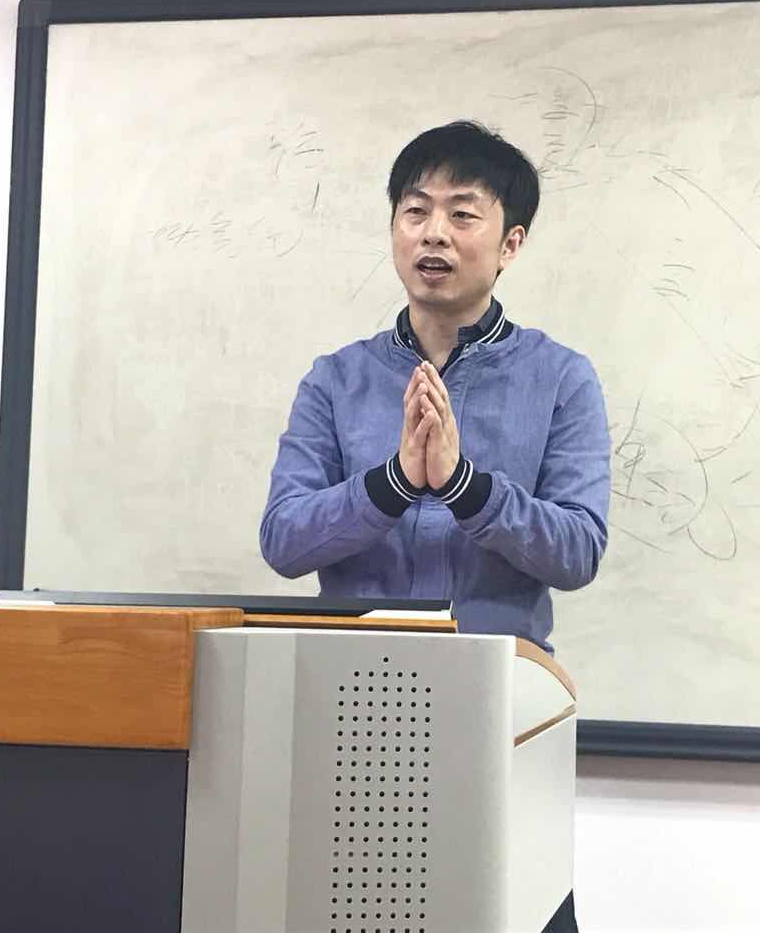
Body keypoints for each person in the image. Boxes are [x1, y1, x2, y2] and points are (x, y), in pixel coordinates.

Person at [259, 120, 611, 655]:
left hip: (496, 675)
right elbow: (283, 542)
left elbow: (577, 553)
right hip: (353, 675)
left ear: (510, 244)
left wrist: (466, 487)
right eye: (416, 211)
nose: (434, 233)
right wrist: (394, 483)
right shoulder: (335, 379)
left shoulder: (562, 378)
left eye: (462, 214)